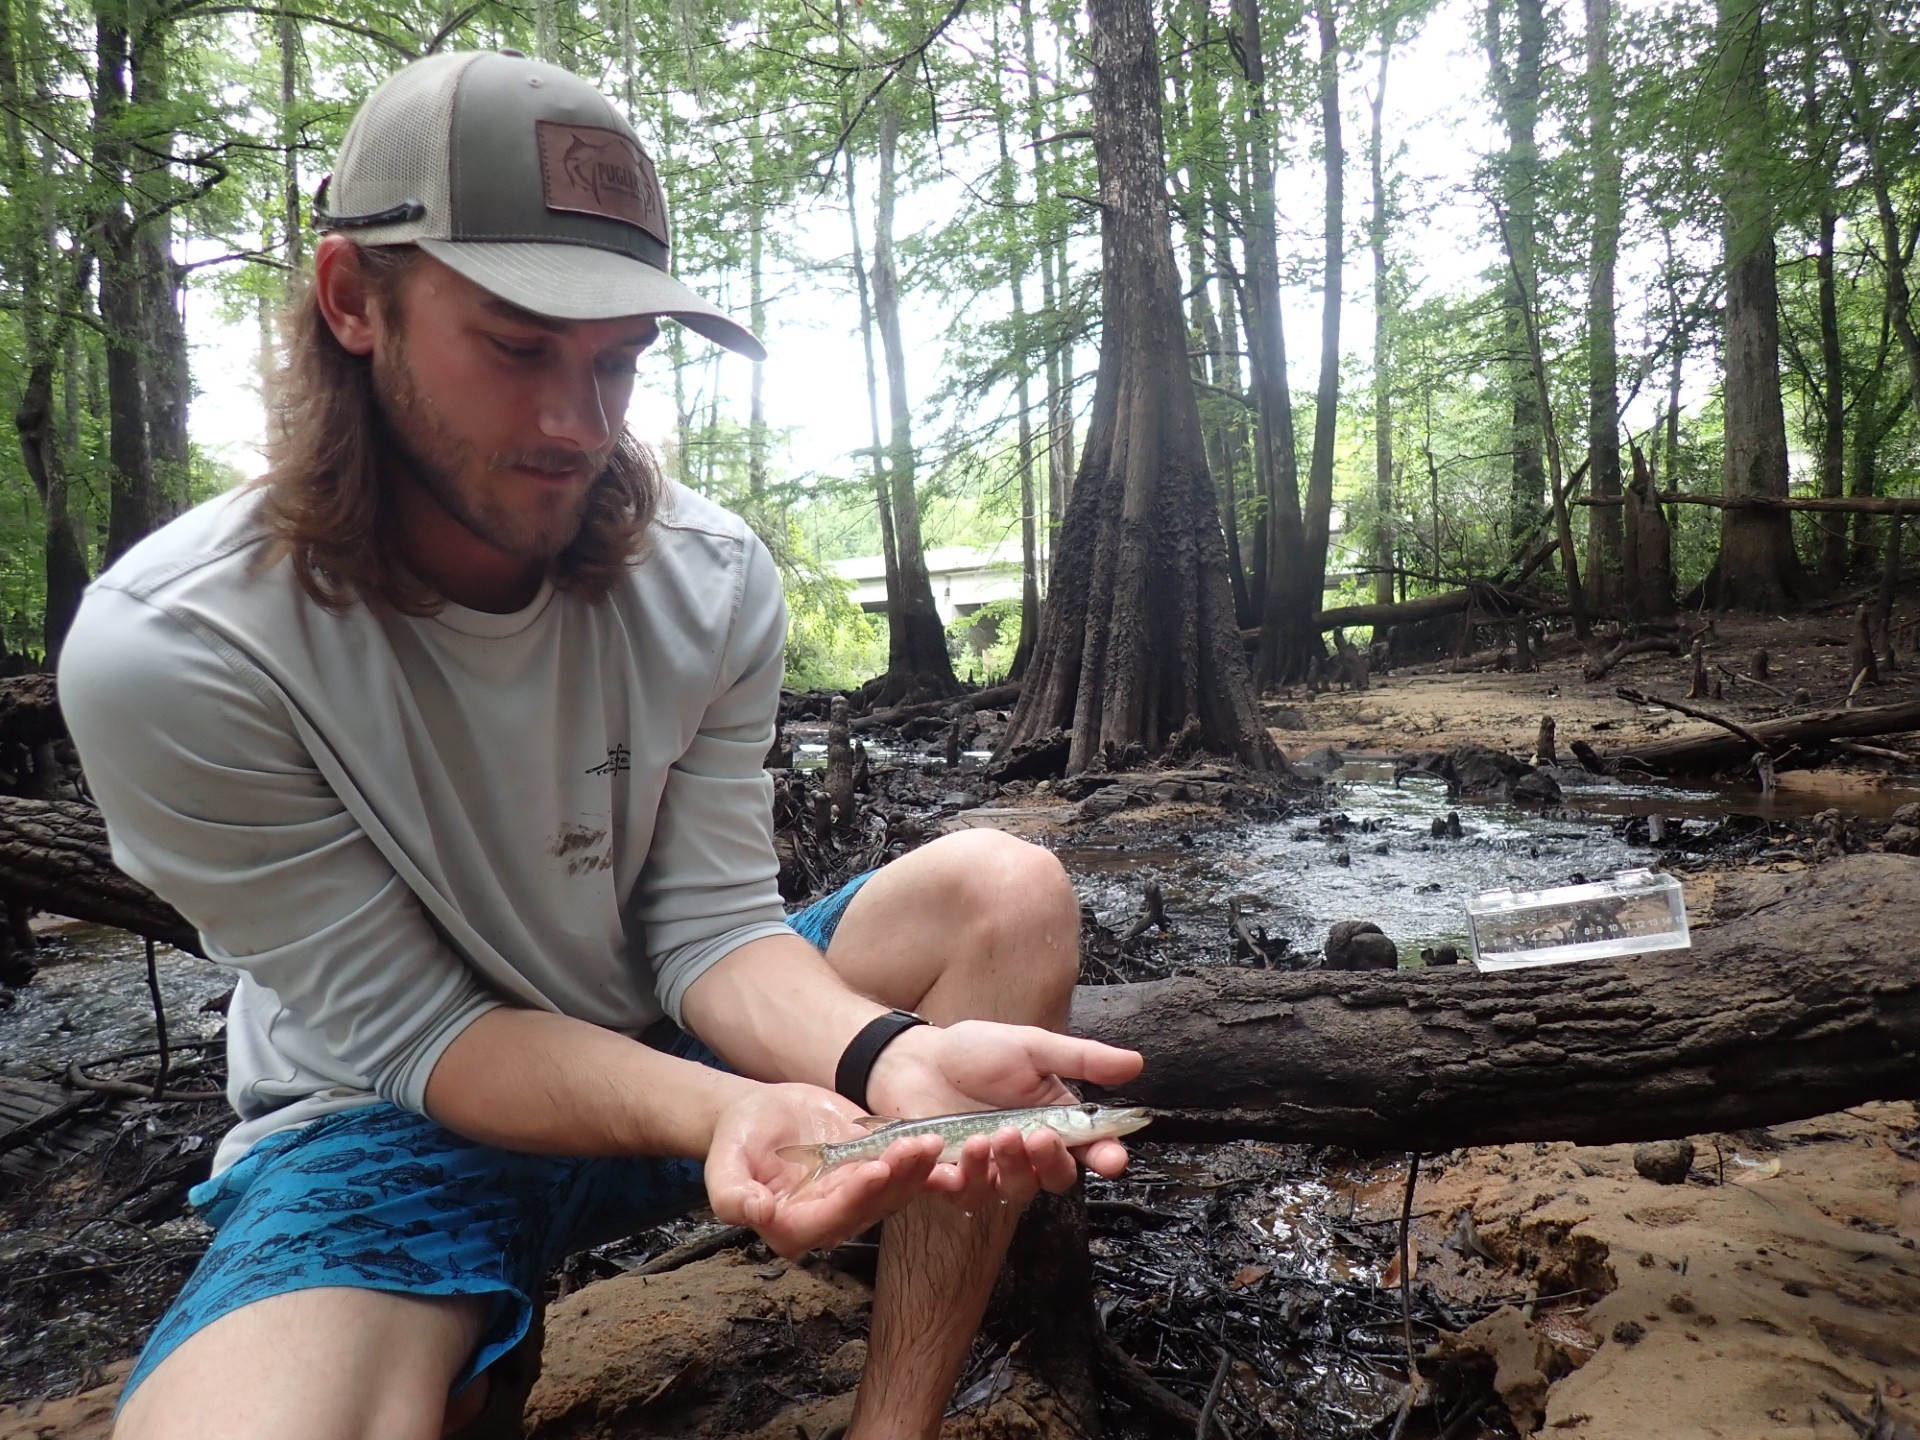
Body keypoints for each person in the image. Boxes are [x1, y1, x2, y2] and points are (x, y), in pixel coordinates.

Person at [57, 50, 1143, 1440]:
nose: (579, 424)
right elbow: (425, 1036)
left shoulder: (708, 578)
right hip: (387, 1114)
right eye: (518, 348)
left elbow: (712, 931)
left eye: (619, 359)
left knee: (1007, 888)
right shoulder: (181, 646)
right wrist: (719, 1115)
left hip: (679, 1041)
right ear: (352, 301)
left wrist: (879, 1060)